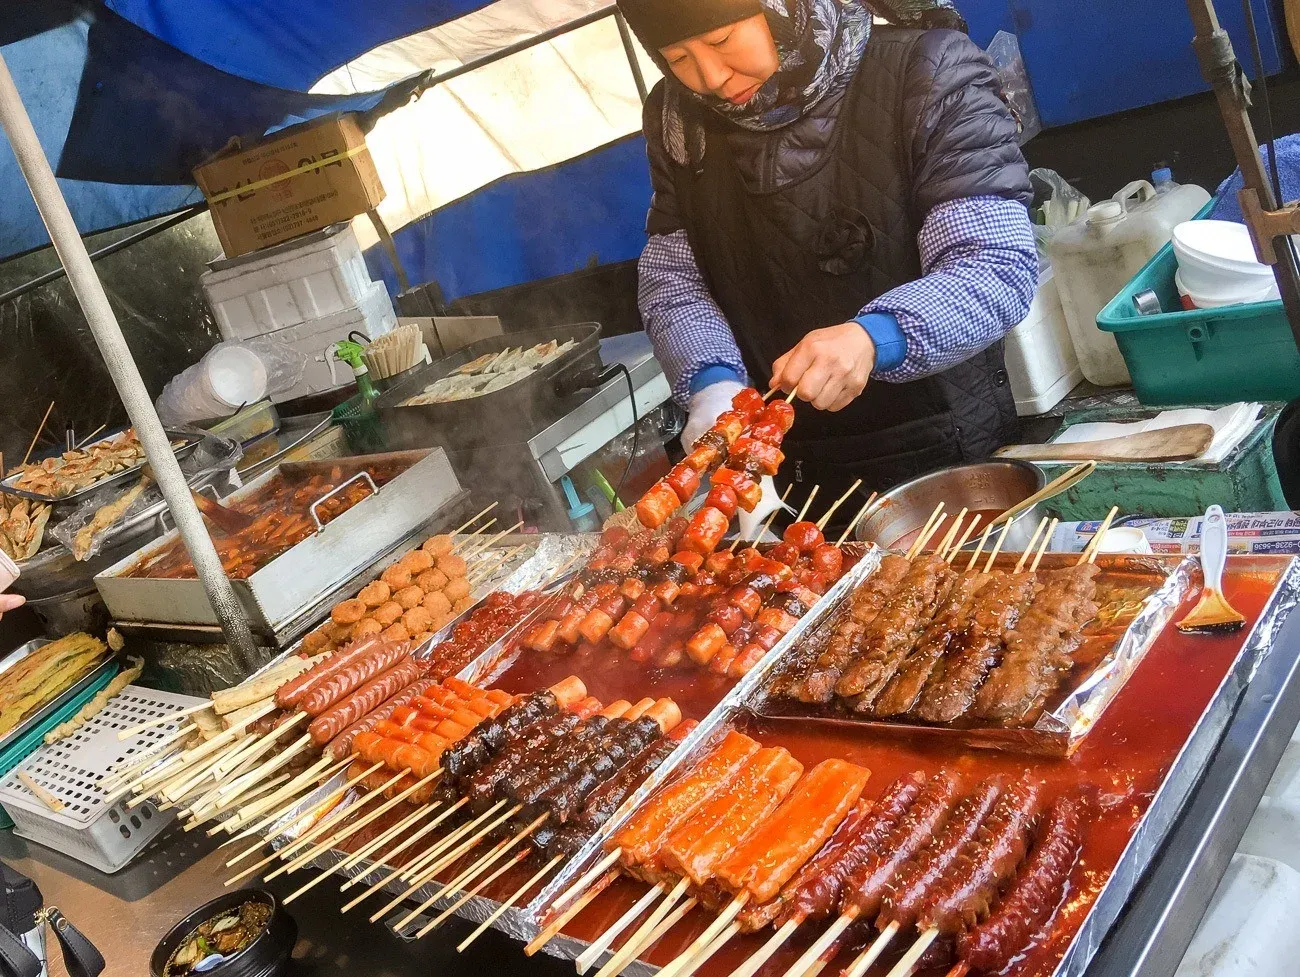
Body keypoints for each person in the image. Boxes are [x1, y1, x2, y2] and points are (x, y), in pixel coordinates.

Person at [618, 0, 1039, 506]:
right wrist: (711, 380)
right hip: (787, 467)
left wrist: (874, 337)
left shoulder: (926, 72)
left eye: (721, 41)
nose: (711, 78)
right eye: (678, 58)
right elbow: (674, 280)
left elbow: (995, 265)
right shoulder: (679, 120)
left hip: (946, 457)